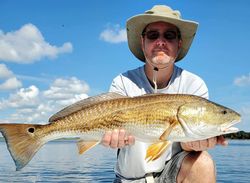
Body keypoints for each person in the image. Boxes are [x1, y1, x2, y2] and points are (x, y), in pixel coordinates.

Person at [101, 5, 227, 183]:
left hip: (172, 175)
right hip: (127, 179)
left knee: (203, 162)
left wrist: (195, 142)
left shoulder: (194, 84)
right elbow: (108, 129)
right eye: (153, 35)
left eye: (169, 35)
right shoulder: (122, 81)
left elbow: (185, 141)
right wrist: (109, 138)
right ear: (142, 42)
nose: (161, 42)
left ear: (179, 43)